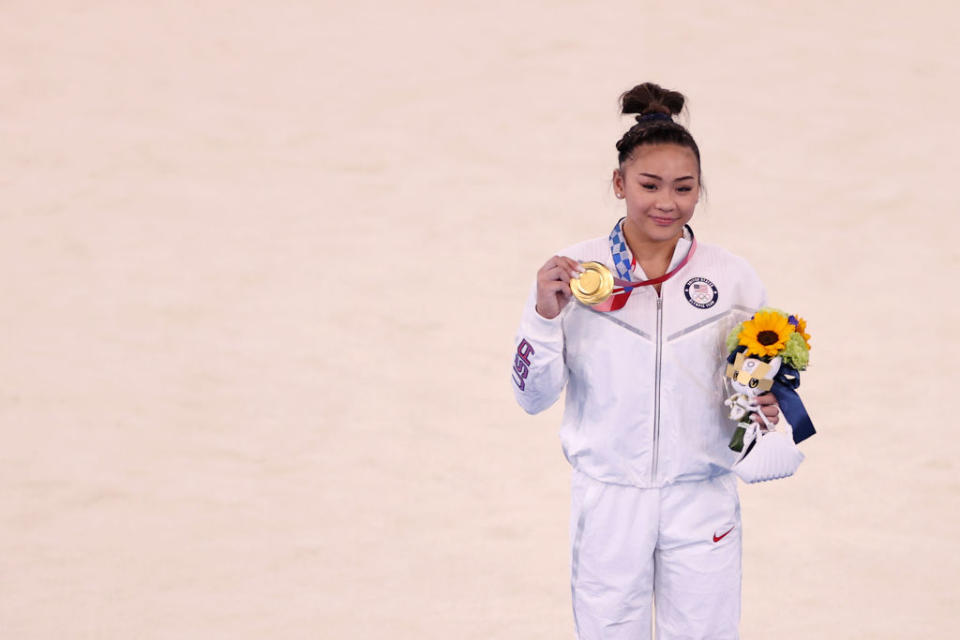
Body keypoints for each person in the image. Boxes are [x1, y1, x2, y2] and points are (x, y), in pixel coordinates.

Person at [511, 82, 781, 640]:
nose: (666, 202)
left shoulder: (731, 278)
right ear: (619, 183)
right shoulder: (575, 272)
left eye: (683, 188)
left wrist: (769, 403)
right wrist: (542, 316)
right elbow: (532, 398)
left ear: (699, 190)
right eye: (649, 185)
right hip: (610, 496)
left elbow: (761, 380)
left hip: (700, 495)